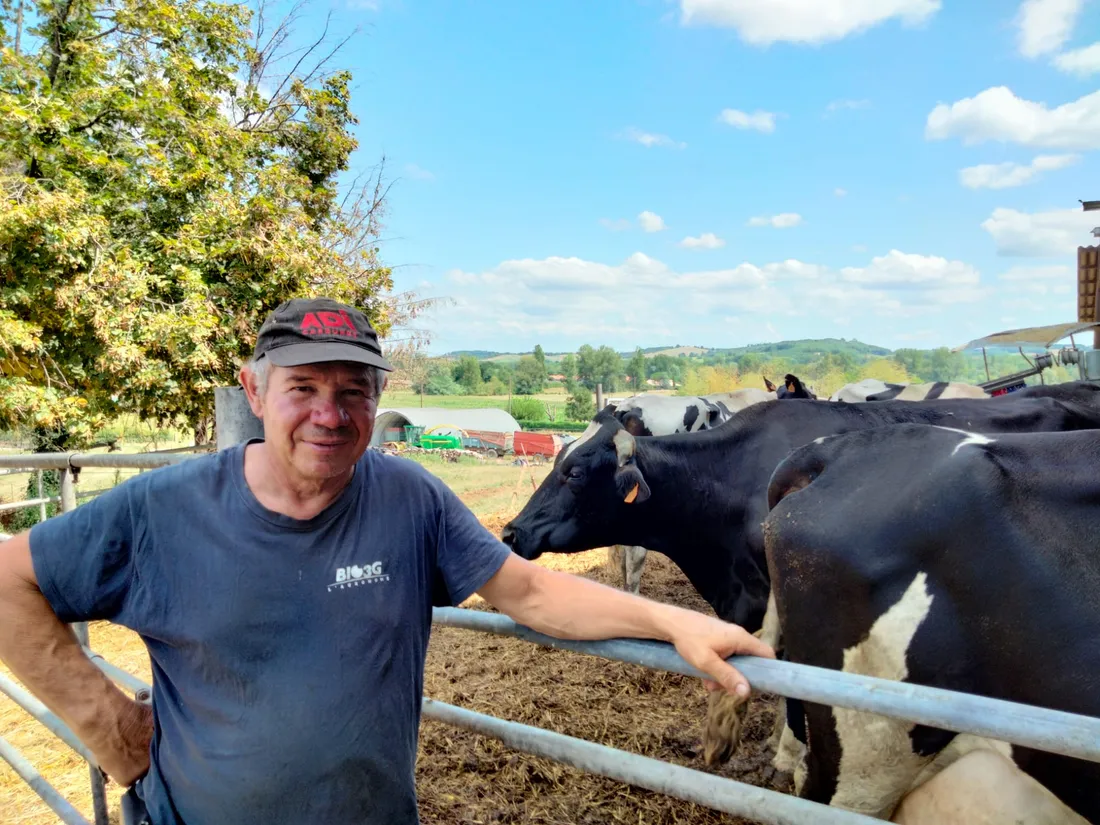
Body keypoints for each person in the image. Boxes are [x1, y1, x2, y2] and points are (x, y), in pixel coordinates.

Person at [0, 297, 775, 825]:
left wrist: (673, 621)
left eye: (354, 391)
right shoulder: (161, 510)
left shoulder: (409, 497)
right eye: (303, 387)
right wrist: (114, 734)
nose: (330, 415)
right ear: (255, 390)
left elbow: (531, 591)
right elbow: (8, 578)